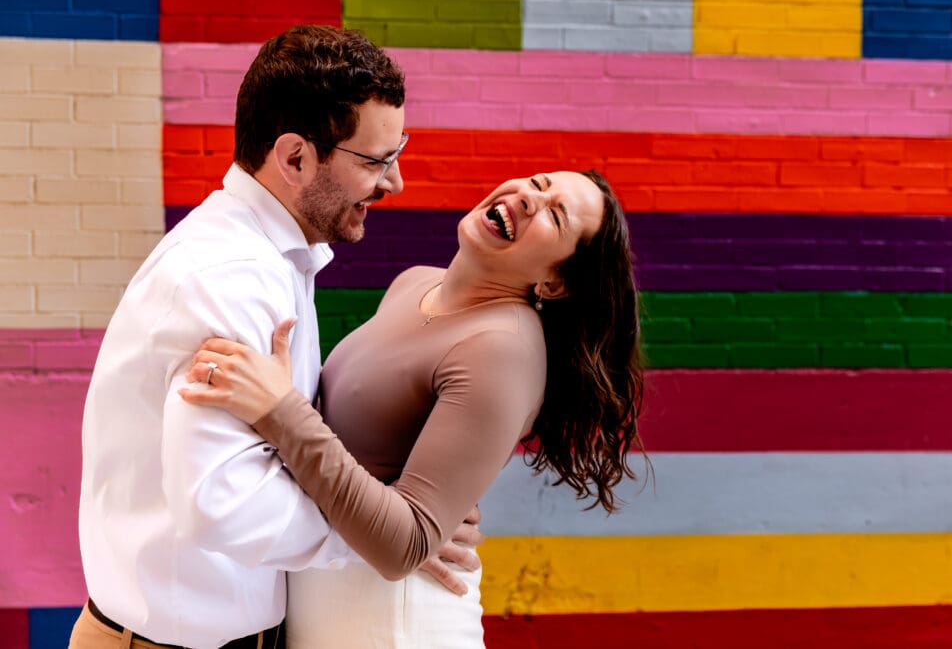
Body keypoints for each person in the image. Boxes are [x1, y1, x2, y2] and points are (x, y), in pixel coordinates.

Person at [71, 24, 480, 649]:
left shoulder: (272, 257)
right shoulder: (232, 277)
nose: (394, 183)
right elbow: (222, 500)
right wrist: (379, 537)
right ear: (294, 158)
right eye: (375, 161)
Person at [179, 169, 647, 647]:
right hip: (330, 601)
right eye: (539, 183)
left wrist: (280, 409)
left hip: (396, 619)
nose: (530, 198)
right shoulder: (416, 284)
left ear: (555, 283)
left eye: (556, 215)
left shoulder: (503, 349)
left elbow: (404, 544)